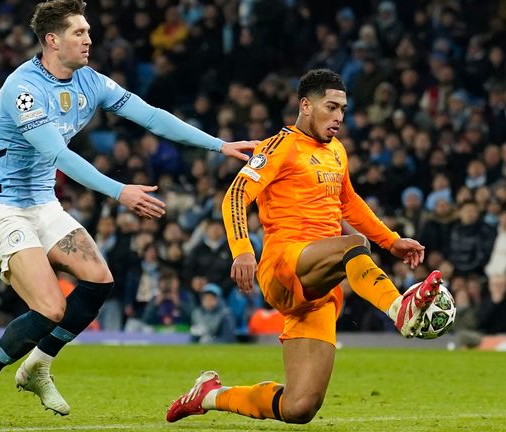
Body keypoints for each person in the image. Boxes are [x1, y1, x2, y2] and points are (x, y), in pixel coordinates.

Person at [0, 0, 256, 424]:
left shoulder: (90, 81)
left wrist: (219, 145)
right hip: (4, 208)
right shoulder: (23, 89)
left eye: (89, 31)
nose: (89, 39)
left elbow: (150, 116)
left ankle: (38, 364)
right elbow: (59, 153)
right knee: (49, 308)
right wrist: (120, 192)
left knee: (99, 281)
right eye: (79, 32)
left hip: (43, 204)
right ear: (52, 40)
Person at [166, 69, 443, 425]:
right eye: (331, 107)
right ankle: (399, 307)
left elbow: (350, 203)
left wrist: (391, 241)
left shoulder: (337, 151)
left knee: (300, 407)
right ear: (306, 106)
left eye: (343, 109)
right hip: (285, 264)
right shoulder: (279, 146)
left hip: (320, 288)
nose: (339, 117)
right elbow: (235, 195)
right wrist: (242, 249)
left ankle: (210, 395)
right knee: (353, 245)